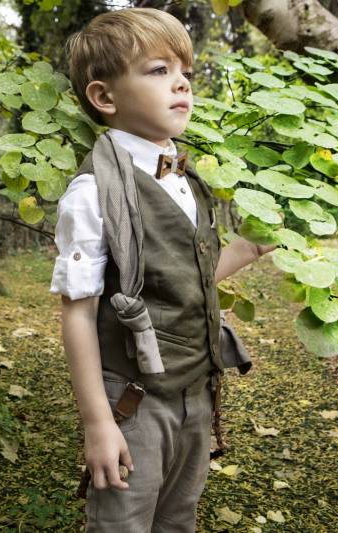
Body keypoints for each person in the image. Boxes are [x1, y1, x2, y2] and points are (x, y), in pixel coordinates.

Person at [50, 8, 274, 531]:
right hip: (134, 401)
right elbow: (78, 315)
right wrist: (98, 424)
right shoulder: (93, 192)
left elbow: (183, 276)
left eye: (185, 73)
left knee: (178, 518)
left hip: (196, 391)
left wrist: (254, 245)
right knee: (125, 523)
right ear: (105, 97)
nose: (181, 84)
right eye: (158, 71)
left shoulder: (186, 178)